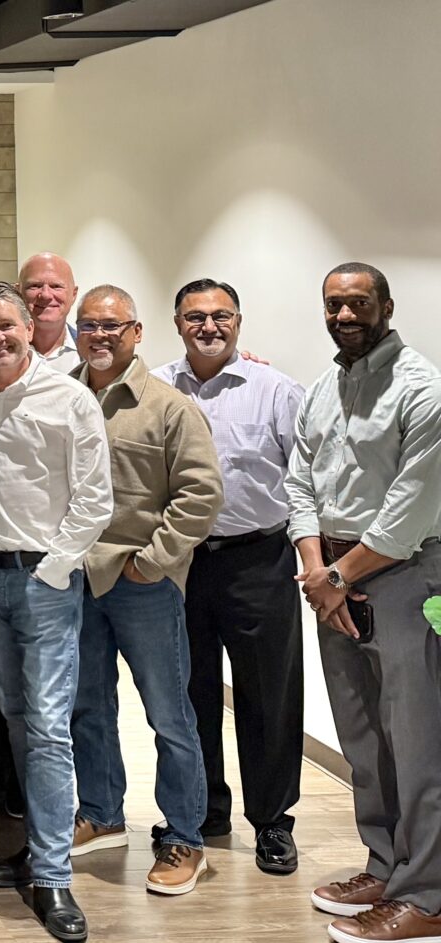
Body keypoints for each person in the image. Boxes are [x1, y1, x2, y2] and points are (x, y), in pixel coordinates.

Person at [0, 281, 110, 943]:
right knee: (16, 716)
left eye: (7, 324)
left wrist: (53, 570)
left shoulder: (69, 397)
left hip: (45, 580)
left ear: (28, 325)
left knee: (47, 725)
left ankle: (55, 875)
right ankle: (38, 847)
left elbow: (94, 499)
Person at [286, 263, 441, 942]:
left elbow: (411, 510)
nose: (345, 314)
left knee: (419, 742)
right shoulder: (324, 387)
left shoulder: (423, 389)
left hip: (406, 576)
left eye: (358, 303)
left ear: (386, 305)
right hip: (335, 579)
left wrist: (337, 577)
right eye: (334, 304)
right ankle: (386, 863)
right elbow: (299, 482)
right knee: (363, 737)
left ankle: (428, 895)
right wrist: (317, 568)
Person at [66, 286, 222, 896]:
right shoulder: (61, 398)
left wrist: (152, 563)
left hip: (141, 584)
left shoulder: (168, 407)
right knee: (87, 708)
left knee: (169, 714)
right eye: (89, 326)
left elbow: (201, 494)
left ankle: (185, 835)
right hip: (75, 582)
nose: (99, 336)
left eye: (112, 326)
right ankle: (102, 815)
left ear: (136, 332)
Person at [151, 278, 306, 875]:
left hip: (258, 560)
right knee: (188, 694)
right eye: (195, 317)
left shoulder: (276, 391)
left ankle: (272, 822)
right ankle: (203, 810)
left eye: (220, 316)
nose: (208, 327)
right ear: (177, 323)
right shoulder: (157, 388)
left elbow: (305, 480)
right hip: (181, 561)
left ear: (238, 321)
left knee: (269, 694)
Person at [20, 253, 80, 372]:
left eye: (56, 286)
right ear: (18, 292)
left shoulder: (91, 351)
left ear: (73, 294)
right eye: (35, 286)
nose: (46, 295)